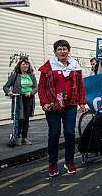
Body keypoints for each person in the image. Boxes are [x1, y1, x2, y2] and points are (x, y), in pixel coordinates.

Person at [37, 40, 89, 177]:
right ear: (55, 52)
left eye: (64, 49)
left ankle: (69, 161)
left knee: (70, 133)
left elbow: (80, 86)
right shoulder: (48, 67)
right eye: (59, 49)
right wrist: (44, 102)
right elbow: (41, 87)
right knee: (54, 134)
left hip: (70, 105)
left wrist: (82, 102)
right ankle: (52, 163)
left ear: (68, 50)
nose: (62, 52)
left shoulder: (75, 66)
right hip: (53, 106)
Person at [3, 56, 37, 146]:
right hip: (19, 98)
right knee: (20, 118)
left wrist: (31, 92)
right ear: (19, 66)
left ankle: (24, 138)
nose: (25, 65)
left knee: (26, 118)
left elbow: (35, 87)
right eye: (23, 64)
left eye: (27, 64)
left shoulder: (31, 75)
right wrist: (9, 92)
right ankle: (17, 136)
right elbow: (6, 86)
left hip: (29, 99)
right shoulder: (15, 75)